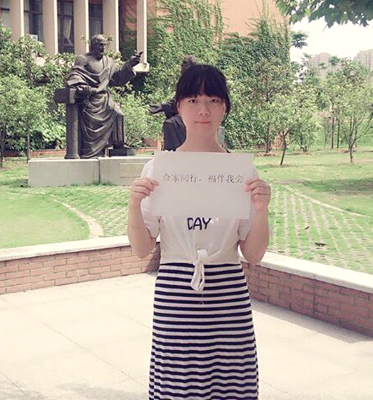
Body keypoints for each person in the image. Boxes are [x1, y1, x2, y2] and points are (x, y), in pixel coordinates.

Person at [128, 64, 271, 399]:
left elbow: (253, 255)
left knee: (231, 382)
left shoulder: (242, 172)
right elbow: (142, 249)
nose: (203, 109)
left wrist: (262, 209)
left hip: (228, 292)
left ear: (225, 107)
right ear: (179, 106)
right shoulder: (159, 168)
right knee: (178, 384)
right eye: (193, 100)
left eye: (213, 100)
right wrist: (134, 203)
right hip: (176, 290)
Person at [66, 35, 142, 158]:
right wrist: (82, 85)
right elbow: (75, 74)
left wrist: (130, 64)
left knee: (118, 114)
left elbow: (117, 76)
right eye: (100, 45)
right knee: (92, 127)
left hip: (104, 99)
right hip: (90, 100)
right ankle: (91, 152)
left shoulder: (108, 62)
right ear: (93, 45)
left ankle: (118, 146)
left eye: (104, 45)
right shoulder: (83, 59)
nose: (103, 48)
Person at [148, 55, 197, 151]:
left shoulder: (195, 82)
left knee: (170, 123)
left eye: (185, 64)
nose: (182, 67)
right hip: (184, 112)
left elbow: (183, 101)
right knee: (170, 122)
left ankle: (175, 151)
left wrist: (162, 107)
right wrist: (161, 107)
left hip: (194, 113)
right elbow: (177, 100)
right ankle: (172, 151)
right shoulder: (184, 82)